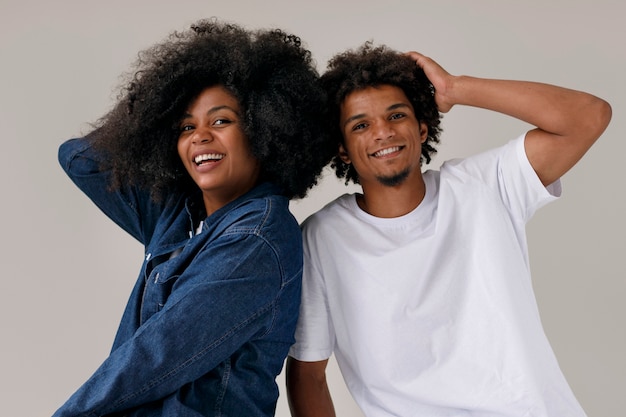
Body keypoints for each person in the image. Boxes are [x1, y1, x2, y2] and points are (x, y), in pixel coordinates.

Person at [286, 43, 611, 417]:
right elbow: (308, 375)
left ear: (422, 127)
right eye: (361, 125)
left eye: (396, 115)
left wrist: (456, 88)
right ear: (342, 150)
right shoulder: (321, 237)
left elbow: (589, 116)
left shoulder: (483, 186)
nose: (382, 133)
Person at [54, 19, 334, 417]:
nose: (200, 136)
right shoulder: (176, 214)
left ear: (264, 129)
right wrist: (146, 110)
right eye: (186, 126)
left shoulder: (257, 238)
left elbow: (159, 354)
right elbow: (78, 158)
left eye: (221, 121)